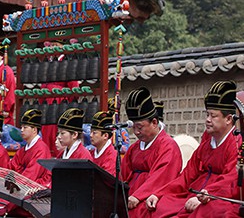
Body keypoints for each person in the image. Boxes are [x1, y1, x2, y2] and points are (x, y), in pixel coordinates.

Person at [145, 81, 241, 217]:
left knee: (210, 211)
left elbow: (231, 179)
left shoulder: (237, 143)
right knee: (161, 205)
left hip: (218, 197)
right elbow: (187, 174)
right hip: (197, 191)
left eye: (213, 116)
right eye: (207, 114)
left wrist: (206, 195)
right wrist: (159, 193)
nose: (207, 119)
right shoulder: (206, 144)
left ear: (228, 119)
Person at [120, 87, 182, 217]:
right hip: (130, 195)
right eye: (134, 127)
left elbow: (162, 177)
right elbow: (123, 174)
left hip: (152, 195)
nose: (136, 132)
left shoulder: (168, 146)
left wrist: (138, 196)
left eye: (140, 127)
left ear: (154, 122)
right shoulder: (134, 148)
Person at [0, 109, 52, 217]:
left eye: (25, 127)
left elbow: (32, 174)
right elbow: (11, 166)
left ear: (34, 130)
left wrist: (15, 180)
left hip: (36, 184)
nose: (21, 130)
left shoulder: (41, 148)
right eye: (21, 127)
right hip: (23, 182)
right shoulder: (23, 149)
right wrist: (1, 174)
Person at [89, 110, 118, 176]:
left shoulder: (112, 156)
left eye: (94, 133)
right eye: (91, 132)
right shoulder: (91, 153)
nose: (90, 135)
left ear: (105, 136)